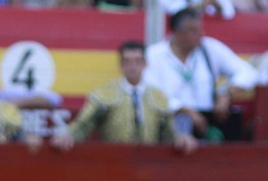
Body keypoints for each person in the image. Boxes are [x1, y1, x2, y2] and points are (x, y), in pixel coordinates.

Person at [142, 7, 259, 141]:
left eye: (200, 29)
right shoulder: (154, 55)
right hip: (169, 121)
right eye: (193, 30)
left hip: (208, 121)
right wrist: (186, 111)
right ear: (177, 32)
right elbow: (151, 92)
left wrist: (227, 93)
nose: (201, 34)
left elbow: (250, 73)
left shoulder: (210, 48)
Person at [54, 42, 191, 150]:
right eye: (127, 62)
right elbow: (84, 125)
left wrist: (181, 138)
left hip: (149, 162)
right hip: (113, 160)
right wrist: (68, 135)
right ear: (121, 65)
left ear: (145, 64)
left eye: (137, 61)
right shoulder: (105, 94)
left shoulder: (159, 97)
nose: (133, 67)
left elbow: (169, 134)